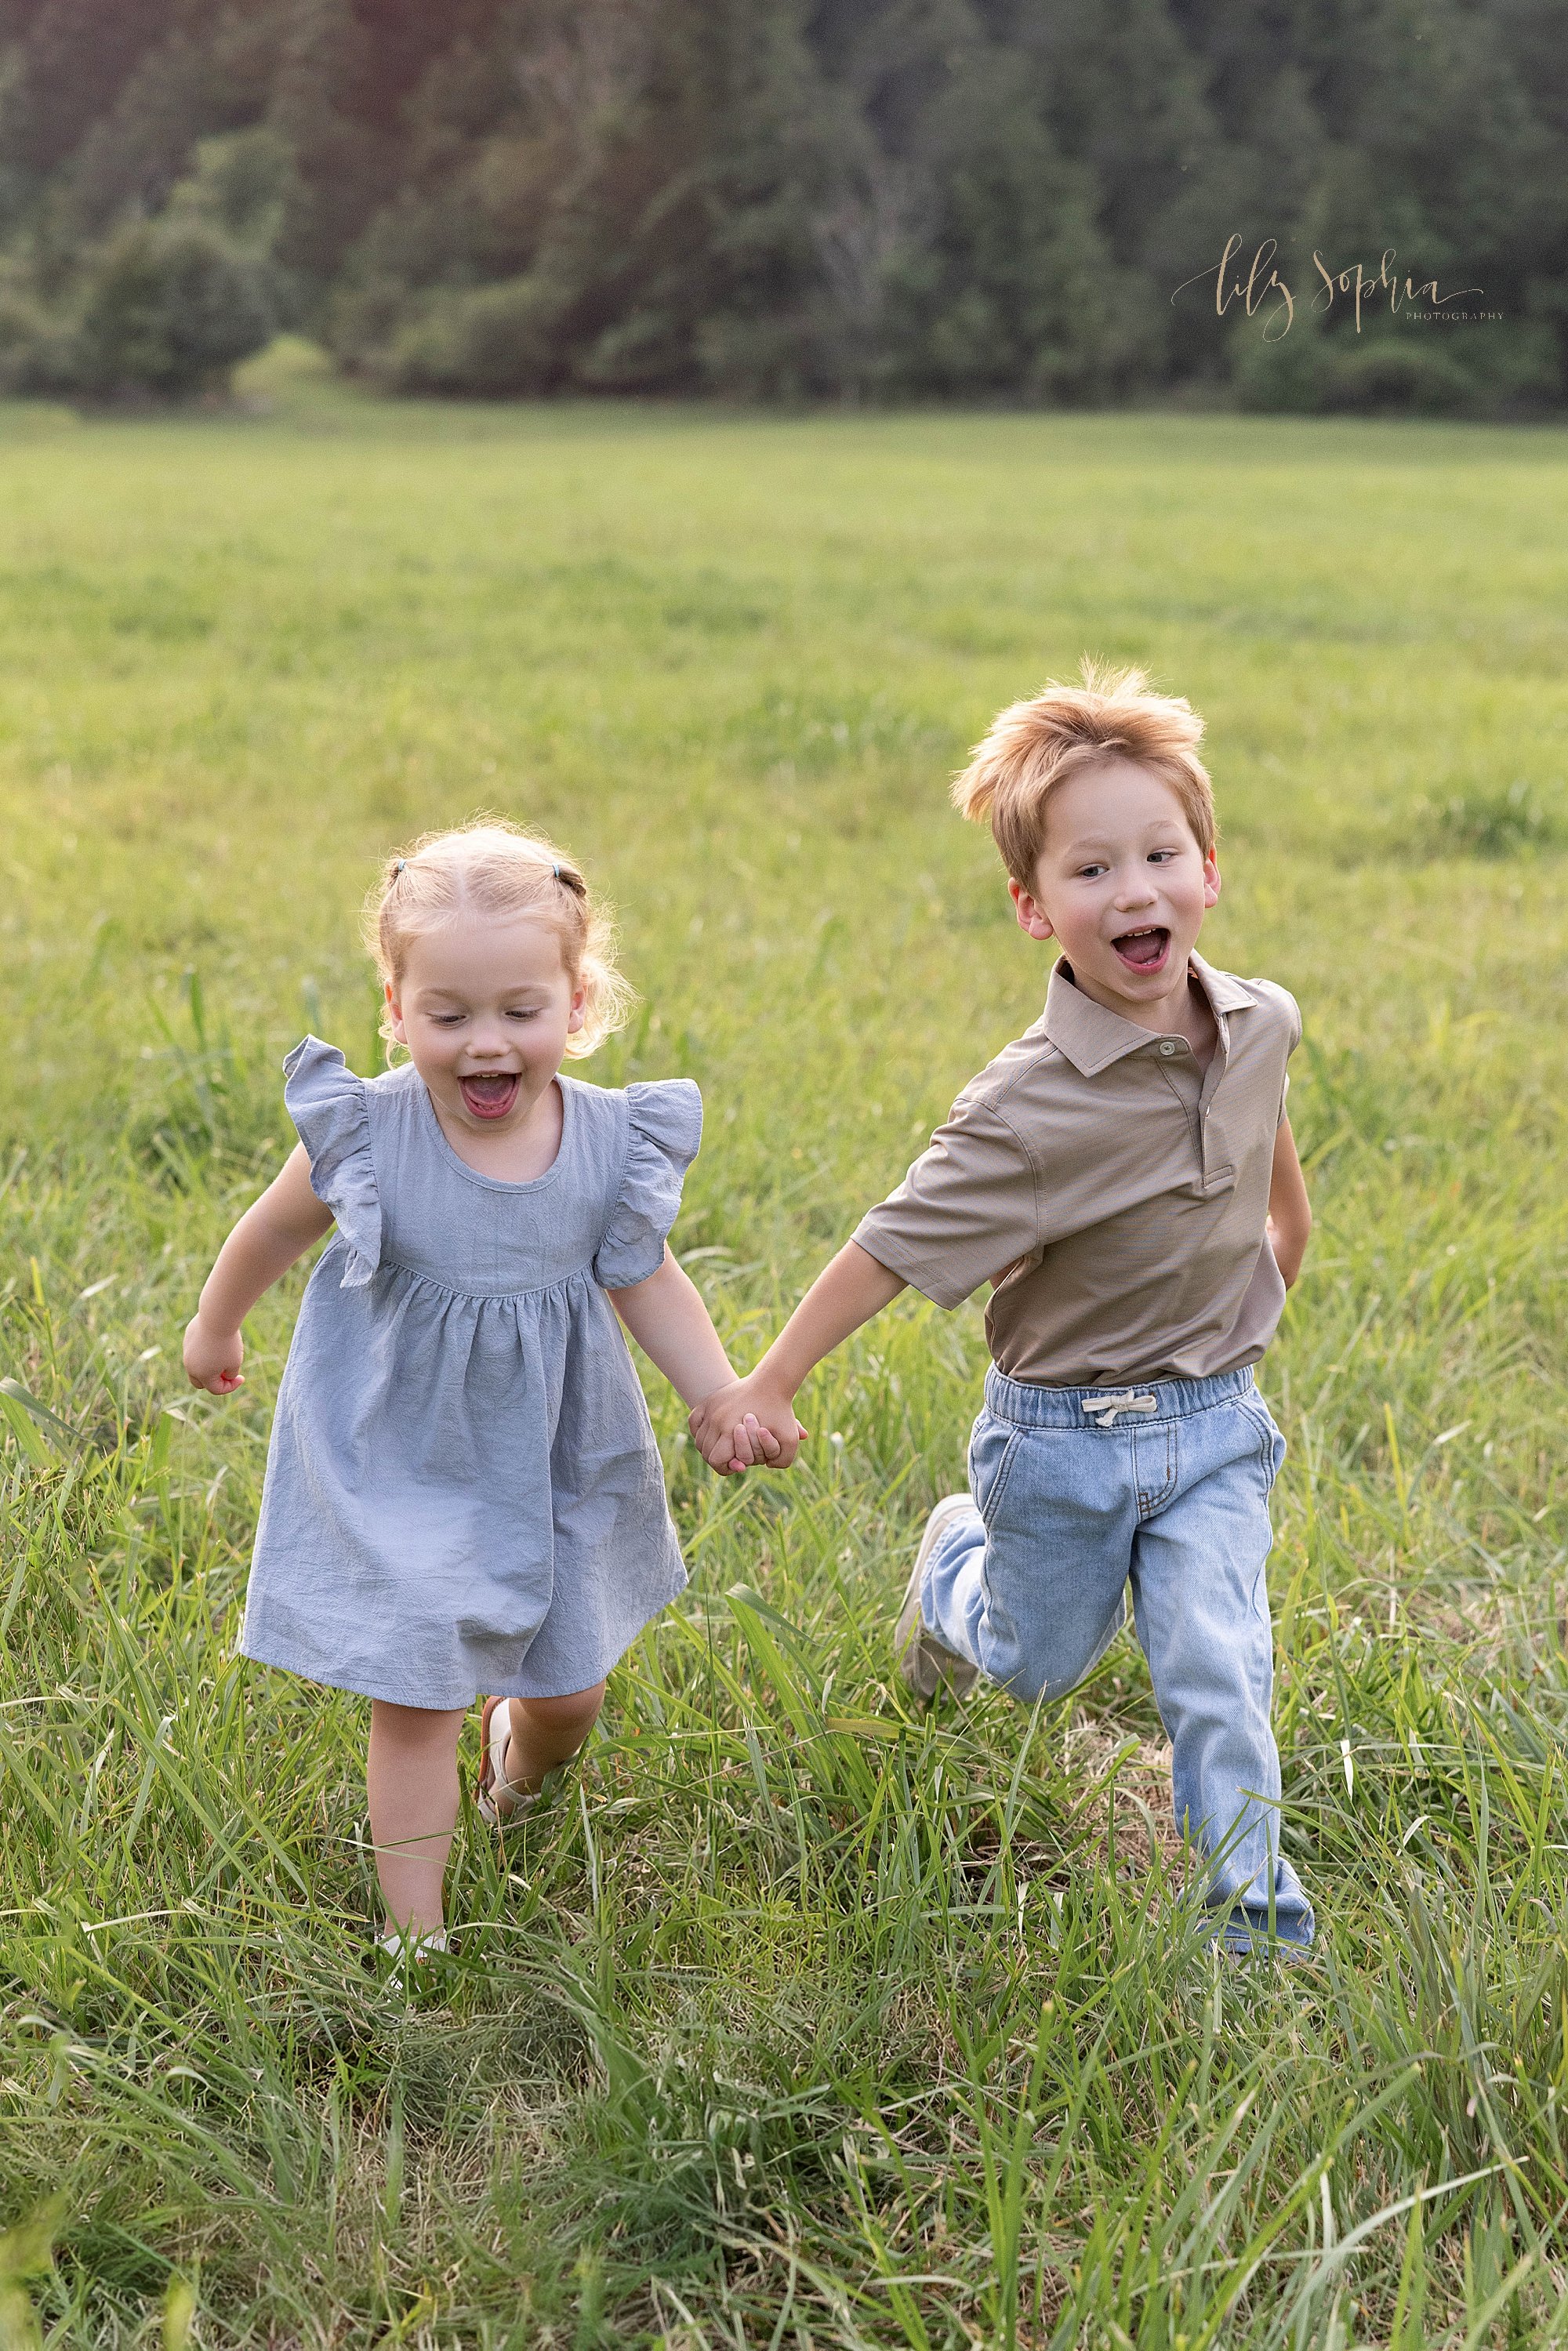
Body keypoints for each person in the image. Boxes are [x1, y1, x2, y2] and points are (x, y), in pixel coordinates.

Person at [691, 665, 1316, 1952]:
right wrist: (769, 1381)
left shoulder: (1261, 1019)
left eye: (1161, 854)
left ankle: (1255, 1923)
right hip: (1063, 1440)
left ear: (1211, 868)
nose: (1134, 890)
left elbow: (1262, 1128)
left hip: (1214, 1422)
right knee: (1035, 1666)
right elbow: (888, 1244)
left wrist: (1285, 1236)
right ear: (1035, 911)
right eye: (1093, 872)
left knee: (1218, 1663)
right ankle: (953, 1571)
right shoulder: (1023, 1109)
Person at [183, 820, 774, 1975]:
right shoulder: (370, 1130)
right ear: (397, 1009)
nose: (485, 1044)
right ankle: (417, 1936)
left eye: (519, 1011)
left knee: (571, 1695)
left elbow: (645, 1278)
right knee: (416, 1691)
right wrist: (217, 1322)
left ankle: (517, 1761)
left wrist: (716, 1395)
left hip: (557, 1448)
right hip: (402, 1446)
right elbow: (271, 1229)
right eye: (448, 1016)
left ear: (578, 1000)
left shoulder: (609, 1141)